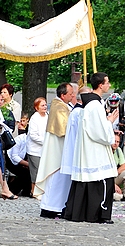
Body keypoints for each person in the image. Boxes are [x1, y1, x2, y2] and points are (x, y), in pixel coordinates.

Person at [63, 72, 118, 224]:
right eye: (107, 83)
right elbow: (99, 132)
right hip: (95, 150)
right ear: (100, 85)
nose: (109, 85)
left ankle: (84, 213)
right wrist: (109, 122)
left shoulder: (93, 104)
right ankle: (100, 214)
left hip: (91, 148)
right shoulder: (94, 105)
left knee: (90, 180)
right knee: (102, 178)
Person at [35, 82, 74, 218]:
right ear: (63, 95)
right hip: (57, 150)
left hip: (61, 147)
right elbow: (65, 128)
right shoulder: (59, 108)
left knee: (60, 181)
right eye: (70, 93)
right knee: (56, 179)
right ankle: (50, 207)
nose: (73, 95)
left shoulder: (62, 106)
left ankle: (57, 206)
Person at [26, 97, 48, 194]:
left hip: (45, 149)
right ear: (37, 107)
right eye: (42, 105)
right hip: (35, 149)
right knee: (36, 170)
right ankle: (34, 190)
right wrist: (45, 141)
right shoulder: (34, 118)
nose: (45, 107)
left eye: (45, 105)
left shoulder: (48, 116)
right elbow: (33, 135)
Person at [5, 132, 31, 197]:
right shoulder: (20, 139)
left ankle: (26, 191)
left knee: (29, 173)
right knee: (24, 173)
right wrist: (28, 164)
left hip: (24, 161)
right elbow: (14, 157)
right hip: (10, 160)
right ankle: (12, 190)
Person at [111, 133, 125, 201]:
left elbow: (123, 166)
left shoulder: (118, 150)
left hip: (115, 175)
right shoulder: (105, 151)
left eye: (118, 142)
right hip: (105, 178)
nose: (116, 143)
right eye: (114, 141)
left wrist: (115, 175)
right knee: (116, 197)